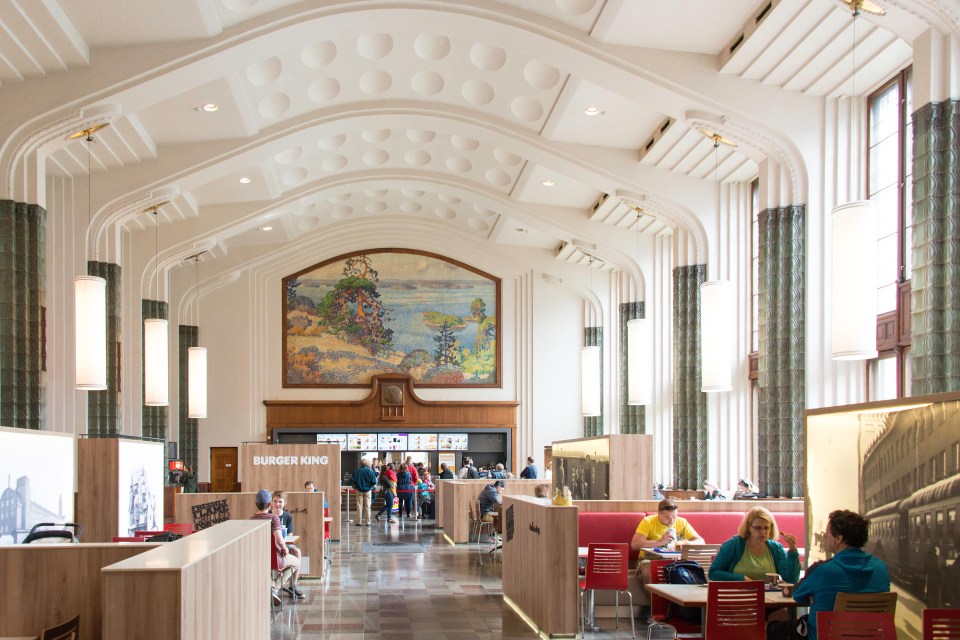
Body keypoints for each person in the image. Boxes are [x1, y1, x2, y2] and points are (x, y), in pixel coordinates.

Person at [767, 509, 890, 640]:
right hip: (870, 636)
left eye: (828, 533)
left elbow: (797, 596)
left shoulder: (824, 570)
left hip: (823, 635)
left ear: (839, 539)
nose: (824, 536)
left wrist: (815, 596)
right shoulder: (881, 568)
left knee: (770, 628)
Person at [709, 507, 799, 583]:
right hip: (738, 596)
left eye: (766, 528)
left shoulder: (776, 548)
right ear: (748, 527)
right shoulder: (734, 545)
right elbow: (713, 573)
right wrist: (741, 578)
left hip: (769, 599)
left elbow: (791, 580)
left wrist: (793, 550)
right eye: (758, 528)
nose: (763, 532)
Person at [630, 498, 705, 585]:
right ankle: (655, 598)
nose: (671, 521)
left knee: (693, 570)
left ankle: (681, 598)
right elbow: (635, 544)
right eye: (667, 517)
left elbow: (701, 541)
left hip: (677, 560)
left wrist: (687, 543)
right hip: (649, 560)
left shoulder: (682, 522)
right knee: (648, 573)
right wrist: (660, 542)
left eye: (674, 517)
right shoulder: (648, 522)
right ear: (659, 514)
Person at [250, 489, 302, 604]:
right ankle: (275, 588)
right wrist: (284, 549)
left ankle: (271, 587)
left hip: (257, 559)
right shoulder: (274, 518)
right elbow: (279, 540)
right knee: (296, 562)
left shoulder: (251, 519)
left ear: (256, 504)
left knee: (265, 566)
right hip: (274, 558)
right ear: (270, 504)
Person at [269, 490, 303, 597]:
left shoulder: (287, 516)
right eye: (275, 501)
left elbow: (290, 536)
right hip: (269, 547)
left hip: (283, 545)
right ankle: (273, 586)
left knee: (297, 552)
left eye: (280, 502)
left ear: (285, 503)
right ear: (271, 502)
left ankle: (293, 585)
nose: (277, 504)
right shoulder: (267, 516)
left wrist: (282, 545)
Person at [351, 458, 378, 526]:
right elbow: (374, 481)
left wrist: (355, 487)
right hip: (368, 491)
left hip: (359, 490)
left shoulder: (357, 471)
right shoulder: (370, 471)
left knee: (359, 506)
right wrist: (370, 488)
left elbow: (351, 480)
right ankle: (368, 522)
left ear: (360, 464)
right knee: (368, 506)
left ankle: (359, 522)